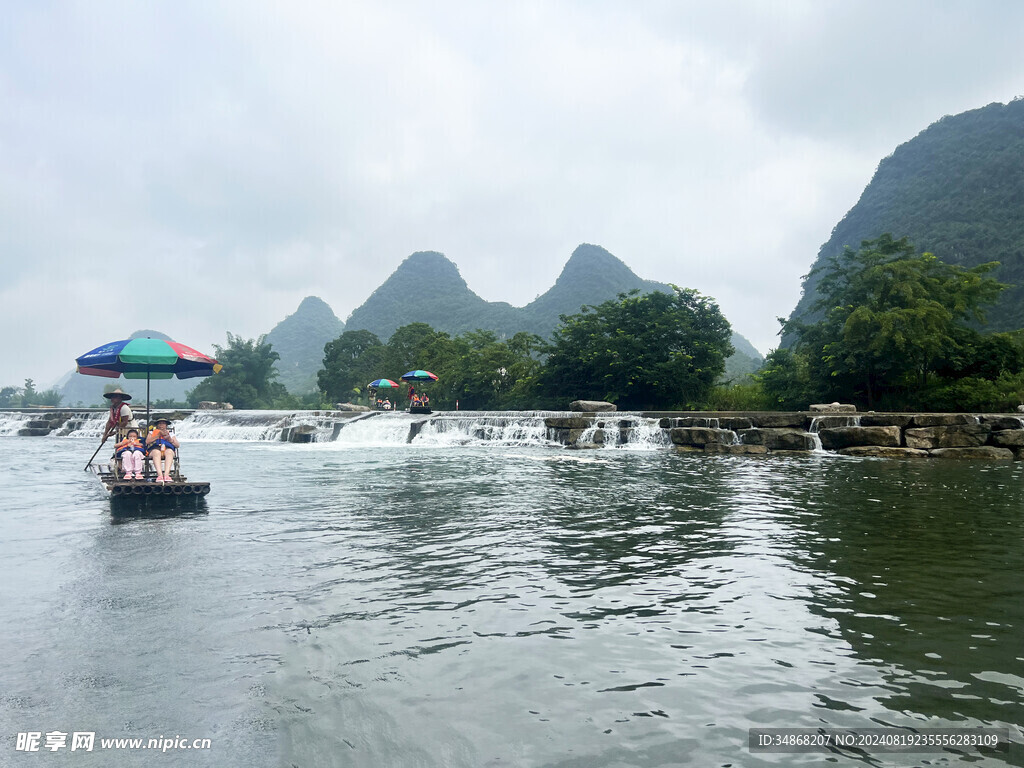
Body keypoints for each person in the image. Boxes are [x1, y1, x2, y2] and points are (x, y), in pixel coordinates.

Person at [146, 417, 180, 483]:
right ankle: (160, 475)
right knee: (156, 452)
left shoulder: (170, 433)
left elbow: (177, 445)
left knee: (169, 452)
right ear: (157, 425)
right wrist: (158, 435)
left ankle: (166, 475)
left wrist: (170, 439)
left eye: (163, 423)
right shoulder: (152, 432)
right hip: (155, 449)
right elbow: (147, 442)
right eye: (160, 423)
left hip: (167, 449)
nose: (161, 425)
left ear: (166, 425)